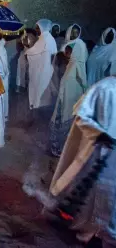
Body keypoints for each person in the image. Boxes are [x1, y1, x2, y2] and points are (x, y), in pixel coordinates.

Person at [49, 76, 116, 247]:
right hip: (96, 152)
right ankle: (87, 230)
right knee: (88, 193)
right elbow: (81, 115)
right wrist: (99, 134)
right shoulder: (105, 87)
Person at [50, 24, 88, 157]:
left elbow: (80, 69)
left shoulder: (80, 46)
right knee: (64, 114)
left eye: (77, 32)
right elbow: (57, 66)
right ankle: (59, 146)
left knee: (68, 115)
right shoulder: (65, 48)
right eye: (73, 32)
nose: (74, 35)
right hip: (66, 84)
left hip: (73, 87)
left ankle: (63, 146)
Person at [25, 20, 55, 118]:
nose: (36, 30)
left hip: (41, 71)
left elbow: (33, 52)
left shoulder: (44, 38)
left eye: (38, 27)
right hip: (48, 70)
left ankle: (37, 117)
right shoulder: (50, 38)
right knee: (44, 94)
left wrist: (26, 52)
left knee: (39, 93)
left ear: (43, 28)